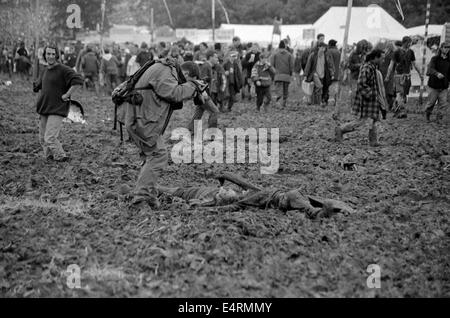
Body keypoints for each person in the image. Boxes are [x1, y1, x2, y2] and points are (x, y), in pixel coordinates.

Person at [119, 54, 204, 209]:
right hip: (142, 120)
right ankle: (141, 198)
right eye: (187, 79)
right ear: (186, 74)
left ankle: (148, 195)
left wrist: (191, 86)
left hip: (139, 118)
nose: (183, 82)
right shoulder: (166, 70)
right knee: (158, 155)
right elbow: (174, 93)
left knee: (153, 155)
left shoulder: (163, 67)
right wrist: (192, 86)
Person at [33, 44, 83, 161]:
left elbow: (78, 81)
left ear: (57, 55)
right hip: (44, 107)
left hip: (57, 108)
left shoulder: (63, 69)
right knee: (42, 138)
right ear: (44, 55)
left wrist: (67, 95)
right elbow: (38, 86)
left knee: (49, 137)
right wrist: (35, 84)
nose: (50, 56)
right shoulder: (45, 70)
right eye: (48, 54)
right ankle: (49, 157)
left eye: (53, 54)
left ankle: (61, 156)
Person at [335, 49, 385, 147]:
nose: (383, 60)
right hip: (367, 100)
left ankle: (373, 141)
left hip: (372, 99)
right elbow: (361, 83)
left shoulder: (372, 67)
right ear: (375, 58)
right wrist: (370, 94)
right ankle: (341, 129)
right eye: (381, 58)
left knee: (375, 119)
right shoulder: (367, 68)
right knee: (362, 121)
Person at [386, 36, 423, 118]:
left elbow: (415, 64)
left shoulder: (411, 52)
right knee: (400, 93)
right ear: (405, 42)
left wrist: (420, 73)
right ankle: (401, 111)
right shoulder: (397, 52)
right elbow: (391, 65)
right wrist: (388, 76)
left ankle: (395, 108)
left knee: (404, 95)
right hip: (399, 75)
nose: (410, 44)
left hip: (407, 76)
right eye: (409, 42)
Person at [187, 55, 220, 133]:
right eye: (216, 57)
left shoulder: (207, 66)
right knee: (214, 111)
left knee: (199, 111)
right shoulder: (206, 66)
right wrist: (202, 92)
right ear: (210, 57)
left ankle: (191, 129)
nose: (217, 59)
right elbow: (200, 80)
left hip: (202, 93)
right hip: (203, 94)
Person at [424, 41, 450, 123]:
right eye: (445, 47)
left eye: (449, 47)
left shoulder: (449, 60)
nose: (447, 49)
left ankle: (439, 119)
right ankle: (427, 115)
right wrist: (437, 73)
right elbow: (430, 69)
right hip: (433, 85)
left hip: (444, 86)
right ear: (441, 48)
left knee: (443, 104)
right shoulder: (435, 58)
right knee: (431, 103)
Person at [304, 42, 335, 106]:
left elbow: (330, 64)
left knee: (317, 89)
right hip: (315, 74)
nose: (323, 49)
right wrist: (306, 75)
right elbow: (308, 65)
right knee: (319, 86)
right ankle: (317, 103)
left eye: (324, 48)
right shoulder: (313, 55)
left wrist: (332, 73)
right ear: (318, 47)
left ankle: (314, 102)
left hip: (323, 74)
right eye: (322, 47)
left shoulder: (326, 55)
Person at [270, 41, 294, 108]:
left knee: (279, 91)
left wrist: (274, 73)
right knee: (285, 90)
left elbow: (271, 65)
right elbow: (292, 66)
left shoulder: (275, 55)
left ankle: (279, 104)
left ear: (279, 47)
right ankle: (284, 103)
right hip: (286, 76)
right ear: (285, 47)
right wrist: (291, 74)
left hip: (278, 76)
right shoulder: (289, 55)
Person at [327, 39, 341, 106]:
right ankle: (336, 100)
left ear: (329, 44)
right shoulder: (338, 52)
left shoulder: (329, 51)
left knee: (328, 86)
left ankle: (329, 100)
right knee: (335, 87)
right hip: (337, 73)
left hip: (330, 72)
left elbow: (328, 62)